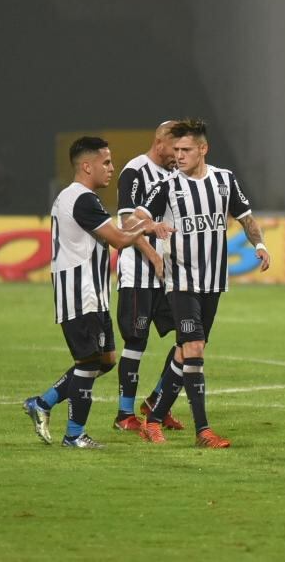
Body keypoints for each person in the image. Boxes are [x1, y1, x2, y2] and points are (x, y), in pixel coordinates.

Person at [22, 137, 171, 449]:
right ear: (86, 165)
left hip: (94, 294)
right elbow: (117, 239)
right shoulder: (80, 199)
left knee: (105, 360)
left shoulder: (81, 198)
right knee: (89, 362)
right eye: (106, 162)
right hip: (80, 294)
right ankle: (74, 435)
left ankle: (43, 403)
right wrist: (146, 227)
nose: (111, 168)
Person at [133, 119, 271, 448]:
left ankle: (152, 419)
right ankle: (203, 431)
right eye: (175, 150)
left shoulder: (224, 180)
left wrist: (261, 245)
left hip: (212, 282)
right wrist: (154, 226)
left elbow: (246, 217)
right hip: (180, 280)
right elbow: (136, 215)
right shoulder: (167, 185)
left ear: (203, 150)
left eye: (185, 150)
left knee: (186, 352)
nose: (178, 156)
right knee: (193, 349)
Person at [112, 121, 186, 433]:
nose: (180, 155)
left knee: (189, 338)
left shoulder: (175, 176)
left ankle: (157, 402)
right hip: (139, 271)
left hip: (167, 274)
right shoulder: (135, 171)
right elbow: (127, 221)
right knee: (136, 340)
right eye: (176, 148)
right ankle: (124, 415)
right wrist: (153, 255)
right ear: (160, 142)